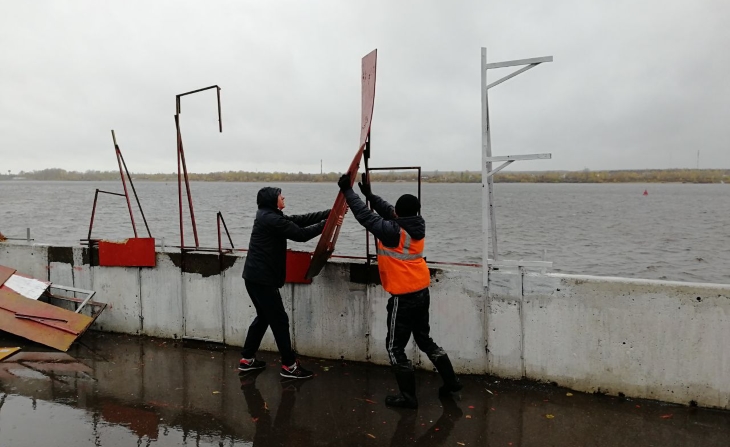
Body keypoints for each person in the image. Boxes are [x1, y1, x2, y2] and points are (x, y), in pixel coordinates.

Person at [337, 174, 462, 408]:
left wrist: (348, 192)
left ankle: (408, 397)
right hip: (422, 292)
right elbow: (388, 210)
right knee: (425, 340)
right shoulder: (416, 224)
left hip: (403, 297)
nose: (393, 212)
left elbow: (365, 217)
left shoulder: (394, 232)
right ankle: (452, 382)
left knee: (394, 347)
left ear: (400, 213)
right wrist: (369, 195)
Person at [239, 186, 331, 379]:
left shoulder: (268, 215)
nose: (284, 197)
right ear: (273, 200)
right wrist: (328, 224)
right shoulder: (271, 219)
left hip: (254, 277)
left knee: (264, 317)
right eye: (281, 196)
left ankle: (247, 359)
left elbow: (298, 221)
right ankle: (289, 365)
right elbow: (301, 235)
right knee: (279, 320)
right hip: (262, 280)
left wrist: (327, 214)